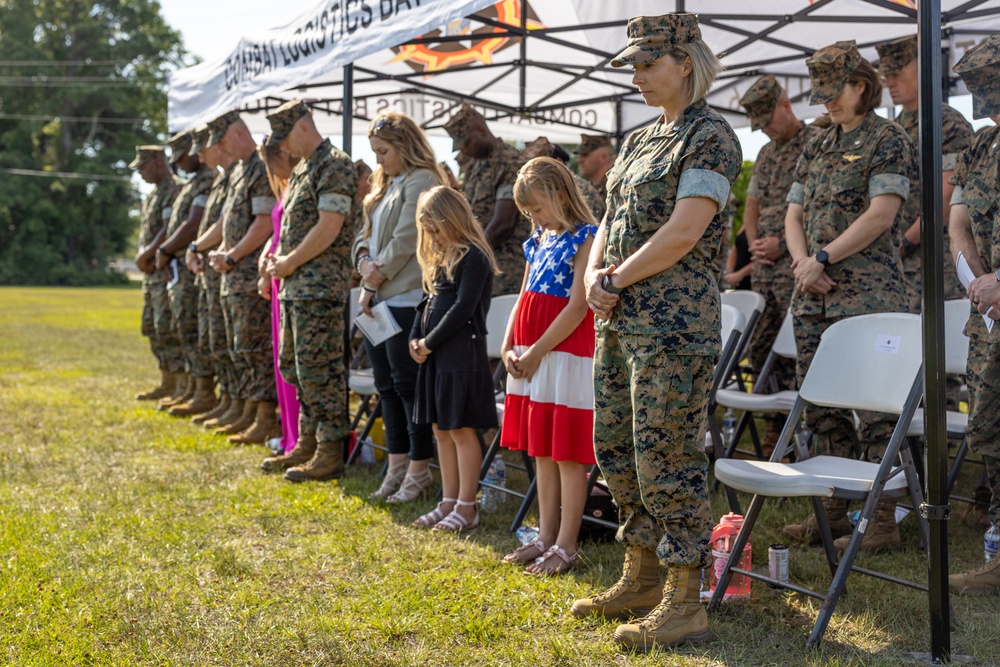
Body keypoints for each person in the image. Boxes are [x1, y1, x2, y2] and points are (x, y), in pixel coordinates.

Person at [572, 14, 742, 651]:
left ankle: (684, 598)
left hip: (673, 325)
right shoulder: (641, 141)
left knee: (665, 453)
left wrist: (611, 280)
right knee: (617, 447)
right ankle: (640, 576)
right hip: (621, 319)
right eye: (634, 66)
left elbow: (684, 230)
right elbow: (609, 221)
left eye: (648, 64)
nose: (637, 76)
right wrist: (596, 276)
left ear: (685, 62)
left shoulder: (712, 136)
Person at [782, 41, 913, 553]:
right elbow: (794, 213)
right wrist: (802, 264)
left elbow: (881, 214)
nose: (828, 104)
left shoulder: (888, 137)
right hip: (813, 293)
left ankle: (882, 518)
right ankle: (833, 512)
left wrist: (824, 258)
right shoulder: (817, 143)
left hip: (867, 293)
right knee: (822, 408)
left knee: (877, 409)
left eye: (836, 93)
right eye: (822, 96)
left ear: (862, 86)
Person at [498, 157, 597, 575]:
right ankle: (545, 536)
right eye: (528, 212)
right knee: (542, 447)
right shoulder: (538, 237)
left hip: (564, 352)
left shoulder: (587, 237)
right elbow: (522, 296)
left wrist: (536, 350)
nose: (534, 217)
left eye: (537, 208)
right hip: (531, 350)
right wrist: (508, 346)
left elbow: (577, 307)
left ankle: (567, 543)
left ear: (559, 194)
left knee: (567, 452)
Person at [259, 100, 358, 482]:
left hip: (318, 287)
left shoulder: (335, 164)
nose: (282, 149)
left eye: (284, 138)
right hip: (295, 287)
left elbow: (329, 226)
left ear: (302, 126)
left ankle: (330, 449)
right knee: (295, 367)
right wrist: (277, 260)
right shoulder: (304, 170)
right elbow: (292, 227)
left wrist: (289, 262)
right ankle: (308, 442)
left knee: (320, 369)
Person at [351, 112, 444, 502]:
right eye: (374, 153)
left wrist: (372, 279)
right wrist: (362, 262)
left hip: (405, 298)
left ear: (405, 145)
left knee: (408, 389)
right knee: (386, 387)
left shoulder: (423, 180)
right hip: (377, 299)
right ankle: (397, 467)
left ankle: (419, 470)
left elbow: (407, 238)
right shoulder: (385, 184)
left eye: (384, 152)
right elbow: (364, 235)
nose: (378, 161)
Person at [409, 186, 499, 532]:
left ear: (454, 220)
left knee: (461, 429)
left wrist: (429, 342)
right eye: (427, 230)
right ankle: (447, 501)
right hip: (435, 356)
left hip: (462, 355)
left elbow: (462, 309)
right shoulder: (438, 258)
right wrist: (415, 339)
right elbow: (426, 302)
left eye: (436, 229)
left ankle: (466, 505)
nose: (432, 236)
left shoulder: (473, 256)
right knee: (440, 428)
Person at [947, 34, 1000, 596]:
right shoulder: (981, 145)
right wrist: (980, 280)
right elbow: (958, 219)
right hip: (988, 315)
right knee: (991, 430)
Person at [739, 74, 817, 433]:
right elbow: (751, 206)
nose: (765, 131)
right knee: (761, 347)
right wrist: (755, 245)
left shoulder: (815, 142)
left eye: (767, 121)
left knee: (802, 351)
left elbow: (817, 211)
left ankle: (805, 433)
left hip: (800, 268)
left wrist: (782, 245)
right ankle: (774, 431)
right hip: (765, 271)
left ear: (786, 106)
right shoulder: (767, 154)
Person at [876, 35, 973, 314]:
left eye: (895, 73)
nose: (888, 82)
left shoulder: (945, 122)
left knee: (936, 349)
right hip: (896, 264)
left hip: (932, 260)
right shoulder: (890, 128)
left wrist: (905, 242)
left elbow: (948, 195)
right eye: (885, 75)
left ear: (920, 67)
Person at [205, 110, 279, 443]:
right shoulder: (239, 171)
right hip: (233, 275)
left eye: (221, 142)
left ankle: (263, 417)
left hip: (249, 276)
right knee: (239, 347)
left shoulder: (260, 167)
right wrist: (212, 249)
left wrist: (232, 256)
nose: (221, 150)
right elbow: (230, 222)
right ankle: (246, 410)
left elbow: (263, 222)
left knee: (255, 348)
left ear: (237, 134)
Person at [157, 129, 219, 417]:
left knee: (195, 330)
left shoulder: (208, 180)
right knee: (186, 329)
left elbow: (193, 224)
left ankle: (203, 393)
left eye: (182, 157)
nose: (179, 164)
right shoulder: (194, 183)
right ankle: (193, 390)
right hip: (183, 269)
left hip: (194, 268)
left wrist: (167, 249)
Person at [443, 104, 528, 295]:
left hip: (505, 272)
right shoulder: (475, 166)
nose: (463, 151)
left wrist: (468, 259)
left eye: (466, 143)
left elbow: (502, 225)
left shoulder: (509, 162)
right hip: (480, 266)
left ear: (482, 131)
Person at [186, 127, 239, 427]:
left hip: (231, 272)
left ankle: (241, 407)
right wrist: (197, 247)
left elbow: (230, 223)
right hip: (215, 272)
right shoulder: (224, 178)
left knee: (235, 345)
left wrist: (199, 246)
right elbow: (220, 222)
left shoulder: (238, 174)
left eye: (207, 148)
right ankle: (230, 402)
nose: (202, 156)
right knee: (218, 343)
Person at [256, 142, 302, 454]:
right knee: (281, 362)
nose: (271, 172)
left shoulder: (302, 185)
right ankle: (288, 436)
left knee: (293, 365)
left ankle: (298, 438)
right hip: (277, 281)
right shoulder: (286, 187)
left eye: (271, 164)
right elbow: (277, 232)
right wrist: (264, 260)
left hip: (291, 277)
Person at [132, 145, 184, 402]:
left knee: (169, 328)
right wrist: (143, 253)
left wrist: (148, 254)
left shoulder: (173, 189)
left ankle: (182, 385)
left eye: (143, 166)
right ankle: (167, 381)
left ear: (158, 162)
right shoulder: (153, 194)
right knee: (152, 327)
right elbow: (147, 232)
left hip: (166, 270)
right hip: (151, 274)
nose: (140, 172)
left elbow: (167, 229)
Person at [521, 137, 605, 221]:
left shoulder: (579, 189)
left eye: (541, 167)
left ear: (558, 163)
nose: (533, 173)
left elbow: (583, 227)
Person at [574, 133, 615, 203]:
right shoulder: (586, 188)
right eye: (580, 156)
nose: (579, 160)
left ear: (603, 157)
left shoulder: (616, 187)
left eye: (585, 155)